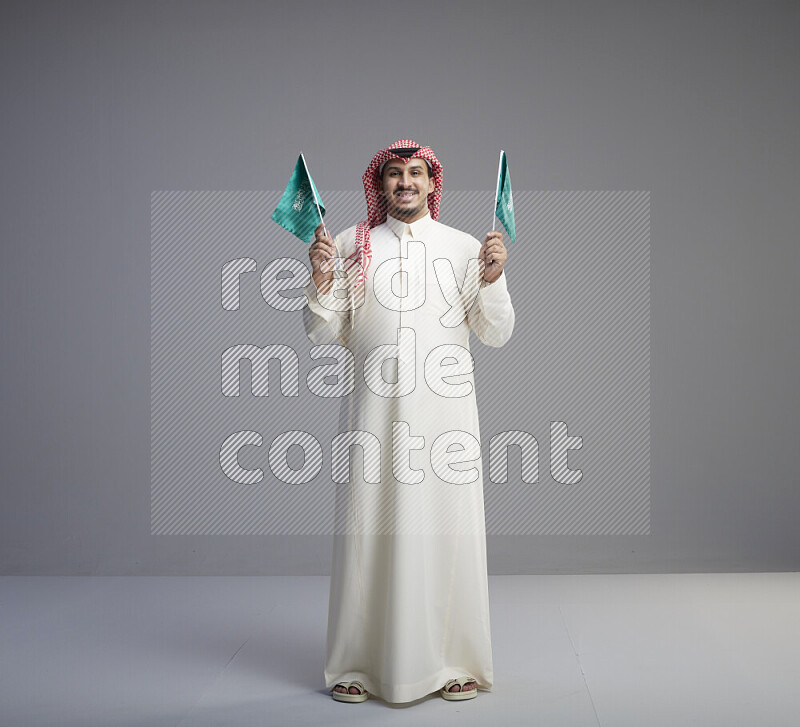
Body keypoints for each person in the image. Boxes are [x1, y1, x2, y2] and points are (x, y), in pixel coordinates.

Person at [301, 139, 515, 704]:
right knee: (367, 531)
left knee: (448, 531)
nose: (405, 183)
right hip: (373, 414)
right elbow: (323, 332)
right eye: (394, 174)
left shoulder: (467, 246)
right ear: (380, 184)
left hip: (446, 419)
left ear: (430, 183)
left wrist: (491, 279)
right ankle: (357, 666)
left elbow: (496, 332)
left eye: (415, 174)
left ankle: (455, 663)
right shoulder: (351, 244)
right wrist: (322, 279)